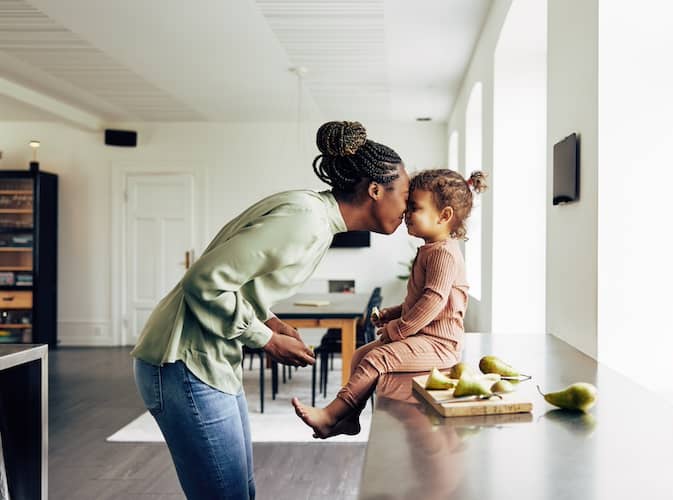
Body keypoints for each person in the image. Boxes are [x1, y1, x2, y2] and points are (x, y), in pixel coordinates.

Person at [130, 121, 409, 500]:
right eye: (405, 195)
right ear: (375, 190)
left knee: (239, 491)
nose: (407, 209)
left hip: (205, 361)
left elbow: (239, 282)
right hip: (183, 362)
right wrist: (266, 340)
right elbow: (204, 282)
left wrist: (273, 322)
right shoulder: (305, 220)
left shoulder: (314, 216)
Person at [292, 168, 489, 439]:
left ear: (444, 216)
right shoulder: (431, 250)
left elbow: (433, 301)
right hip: (423, 337)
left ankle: (330, 415)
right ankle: (350, 418)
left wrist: (399, 329)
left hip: (440, 345)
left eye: (415, 208)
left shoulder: (444, 254)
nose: (406, 213)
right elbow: (421, 300)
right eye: (408, 207)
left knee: (376, 359)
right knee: (361, 354)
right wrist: (392, 313)